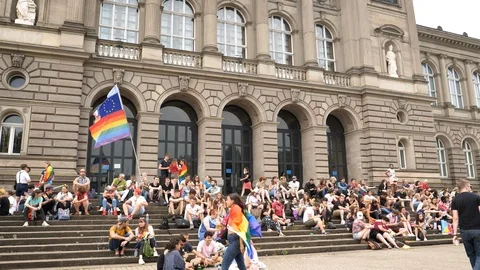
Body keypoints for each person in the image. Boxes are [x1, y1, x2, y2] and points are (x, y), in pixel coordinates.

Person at [452, 179, 480, 270]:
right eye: (470, 186)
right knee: (479, 254)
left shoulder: (455, 200)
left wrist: (455, 234)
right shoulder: (476, 197)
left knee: (471, 255)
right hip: (477, 228)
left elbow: (455, 218)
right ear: (466, 186)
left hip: (464, 230)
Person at [222, 193, 248, 270]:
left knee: (224, 265)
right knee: (241, 265)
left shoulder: (236, 210)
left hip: (235, 240)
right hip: (233, 239)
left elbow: (241, 228)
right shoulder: (234, 210)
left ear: (232, 201)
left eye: (227, 200)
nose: (226, 201)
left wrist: (241, 244)